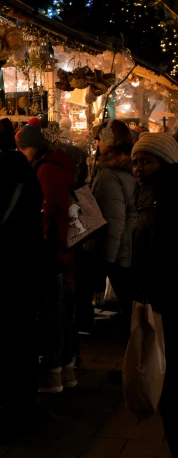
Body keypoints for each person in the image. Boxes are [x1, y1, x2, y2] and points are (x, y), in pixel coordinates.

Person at [0, 117, 44, 433]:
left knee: (2, 337)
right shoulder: (26, 171)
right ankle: (24, 402)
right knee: (22, 335)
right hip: (27, 261)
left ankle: (5, 405)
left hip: (2, 264)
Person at [16, 118, 77, 393]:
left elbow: (52, 212)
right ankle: (66, 370)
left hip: (54, 251)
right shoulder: (58, 164)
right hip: (62, 251)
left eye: (24, 149)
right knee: (60, 313)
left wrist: (50, 249)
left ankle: (54, 374)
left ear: (34, 148)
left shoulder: (46, 169)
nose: (21, 155)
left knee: (52, 313)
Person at [131, 132, 178, 456]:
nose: (138, 167)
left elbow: (160, 252)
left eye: (145, 161)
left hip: (166, 298)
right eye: (135, 161)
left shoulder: (165, 198)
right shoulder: (150, 195)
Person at [91, 119, 138, 340]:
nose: (97, 143)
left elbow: (113, 220)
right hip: (133, 247)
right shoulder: (131, 168)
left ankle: (137, 364)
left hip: (121, 253)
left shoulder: (110, 173)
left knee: (132, 308)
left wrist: (106, 260)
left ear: (109, 141)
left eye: (99, 138)